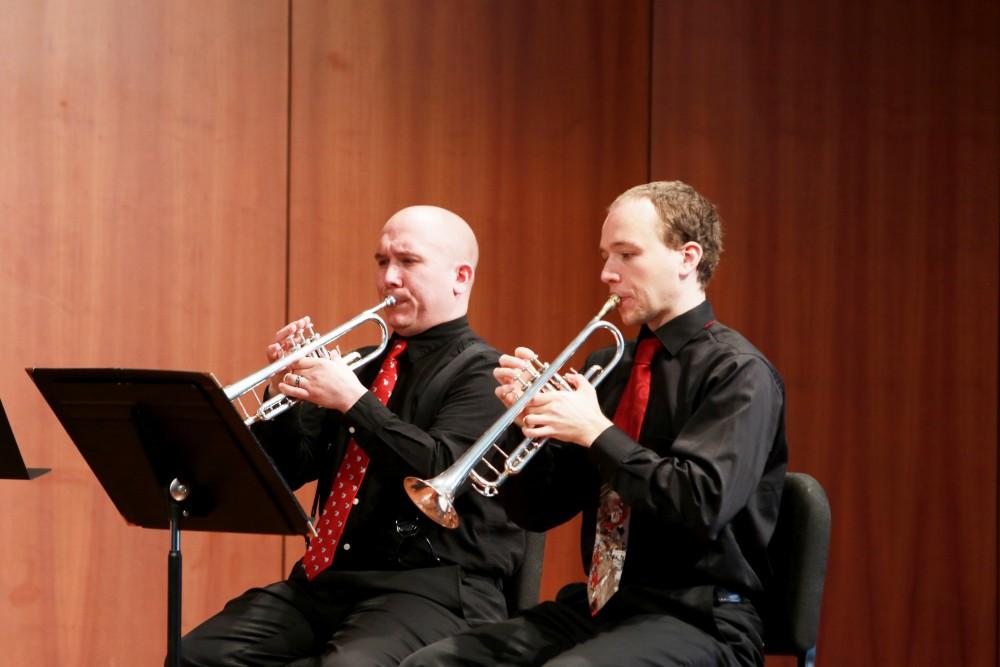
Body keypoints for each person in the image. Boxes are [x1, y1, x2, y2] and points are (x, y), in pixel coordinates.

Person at [402, 181, 788, 667]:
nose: (608, 273)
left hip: (699, 618)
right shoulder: (611, 365)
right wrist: (526, 425)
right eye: (606, 256)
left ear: (687, 258)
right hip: (600, 606)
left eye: (627, 254)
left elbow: (701, 504)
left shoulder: (737, 373)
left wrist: (595, 432)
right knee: (433, 664)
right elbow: (540, 511)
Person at [177, 206, 525, 667]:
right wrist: (280, 394)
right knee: (197, 656)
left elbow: (443, 470)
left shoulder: (486, 374)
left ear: (460, 277)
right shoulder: (362, 364)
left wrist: (354, 403)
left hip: (430, 587)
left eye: (408, 262)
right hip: (329, 581)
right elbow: (289, 471)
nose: (389, 279)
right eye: (382, 262)